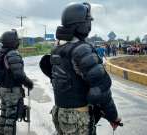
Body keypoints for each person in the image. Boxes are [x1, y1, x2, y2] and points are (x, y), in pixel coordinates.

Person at [49, 2, 121, 135]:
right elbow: (101, 89)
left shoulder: (56, 49)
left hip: (59, 114)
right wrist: (113, 116)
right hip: (77, 118)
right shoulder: (82, 50)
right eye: (88, 21)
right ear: (81, 24)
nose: (89, 24)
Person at [0, 30, 33, 135]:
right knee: (11, 117)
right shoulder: (12, 54)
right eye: (17, 40)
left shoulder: (0, 53)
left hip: (2, 89)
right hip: (11, 90)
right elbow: (19, 75)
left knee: (4, 114)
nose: (18, 42)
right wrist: (28, 83)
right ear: (12, 42)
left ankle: (1, 133)